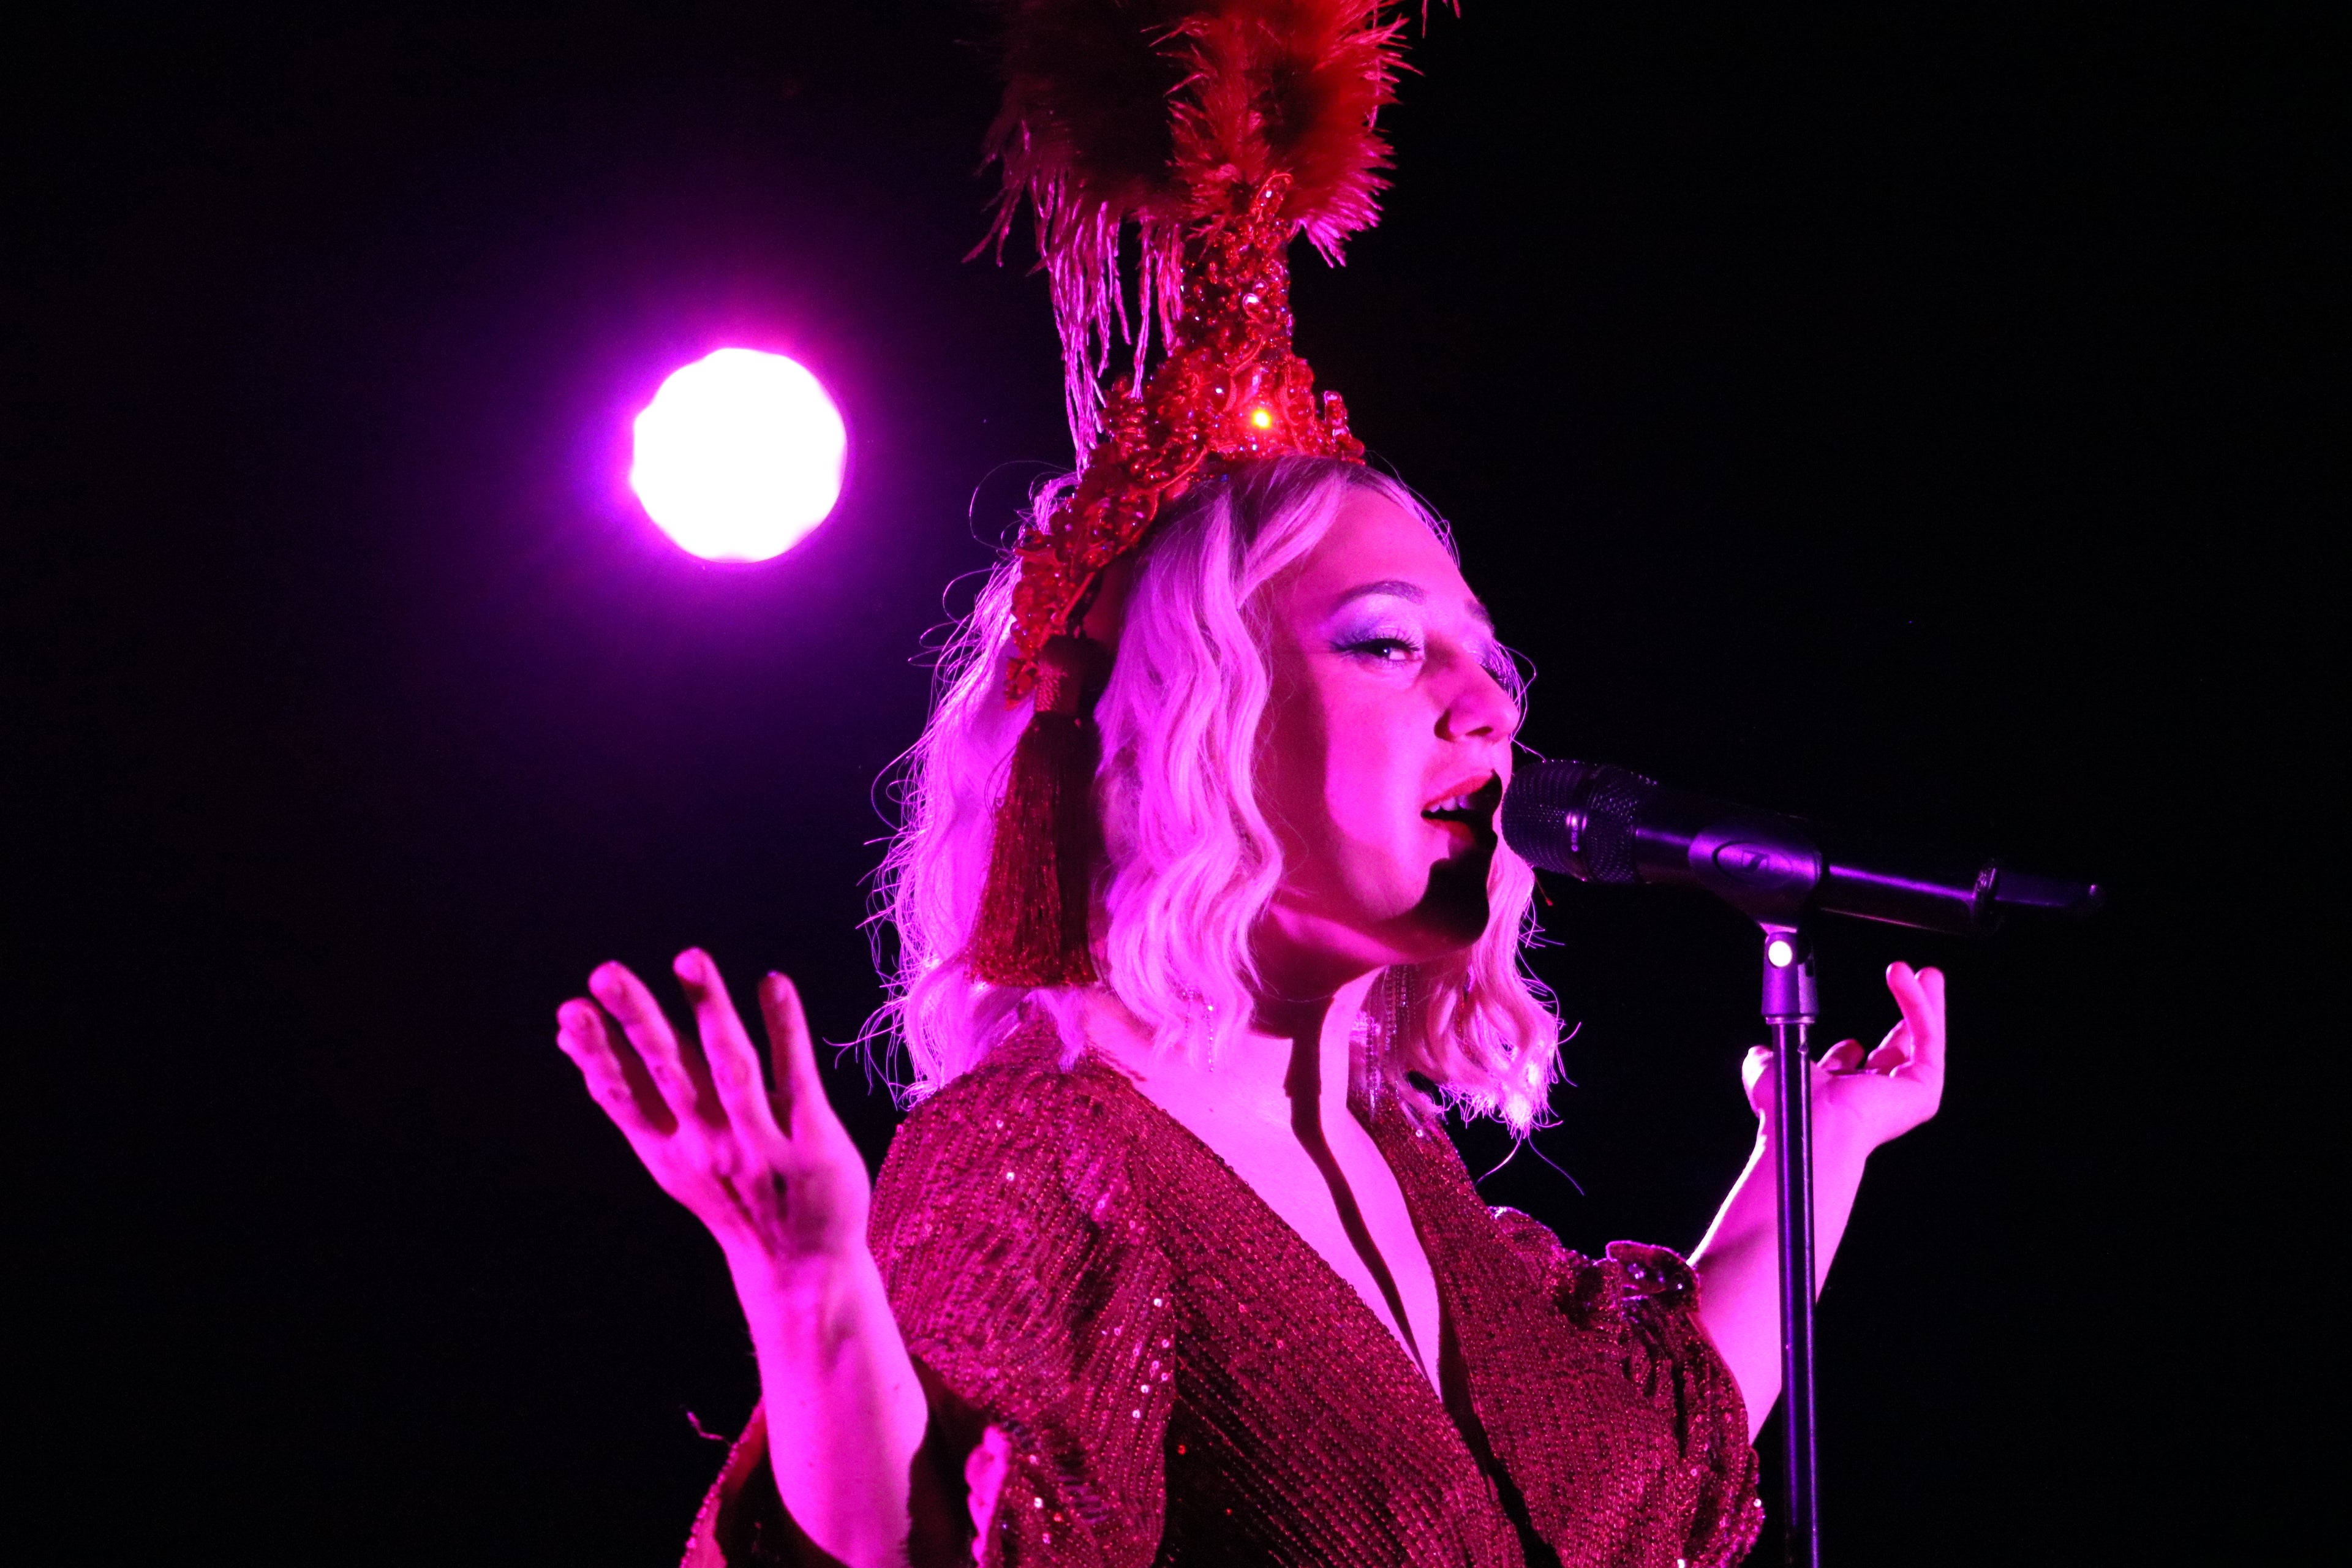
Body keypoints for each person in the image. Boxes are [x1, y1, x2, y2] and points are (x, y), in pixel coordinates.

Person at [553, 458, 1949, 1567]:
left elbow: (1653, 1458)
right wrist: (810, 1293)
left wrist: (1818, 1141)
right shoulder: (1047, 1154)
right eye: (1388, 647)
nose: (1488, 710)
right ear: (1197, 722)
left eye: (1487, 661)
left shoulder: (1399, 1157)